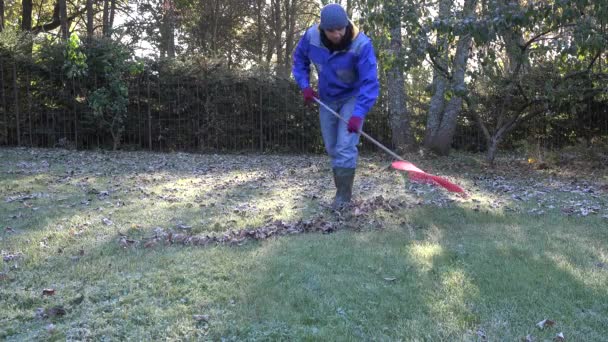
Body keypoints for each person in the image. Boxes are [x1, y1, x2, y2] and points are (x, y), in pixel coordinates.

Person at [292, 3, 380, 209]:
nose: (337, 34)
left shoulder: (361, 44)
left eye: (340, 28)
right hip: (327, 99)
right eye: (331, 30)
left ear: (346, 24)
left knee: (345, 146)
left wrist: (358, 114)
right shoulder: (311, 37)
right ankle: (341, 190)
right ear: (323, 29)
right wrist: (305, 86)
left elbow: (370, 82)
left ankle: (342, 198)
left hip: (353, 98)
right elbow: (299, 60)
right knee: (332, 148)